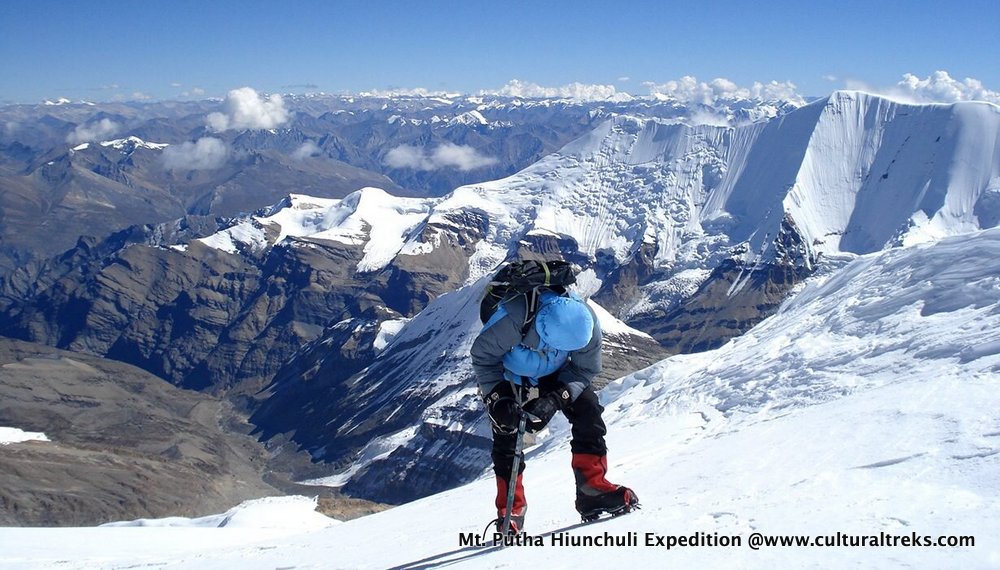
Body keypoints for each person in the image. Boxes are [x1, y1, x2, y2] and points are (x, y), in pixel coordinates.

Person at [471, 285, 638, 533]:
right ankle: (511, 510)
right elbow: (483, 358)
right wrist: (500, 398)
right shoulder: (512, 319)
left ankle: (592, 490)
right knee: (507, 430)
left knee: (587, 409)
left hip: (555, 372)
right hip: (510, 374)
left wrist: (556, 398)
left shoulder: (586, 324)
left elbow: (584, 369)